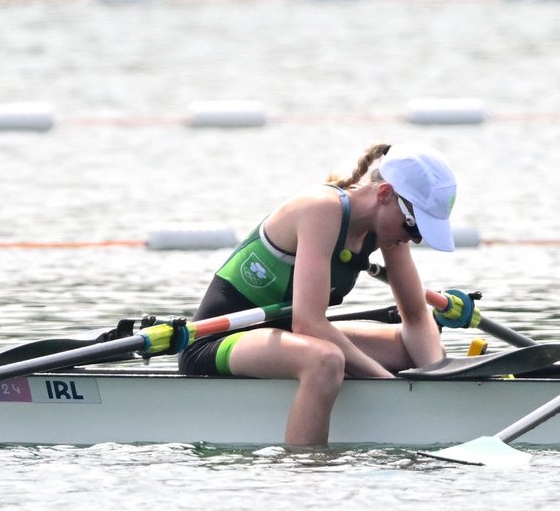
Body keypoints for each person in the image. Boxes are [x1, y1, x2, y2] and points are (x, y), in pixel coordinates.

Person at [179, 143, 457, 446]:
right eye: (414, 227)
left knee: (409, 349)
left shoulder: (389, 231)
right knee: (326, 361)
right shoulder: (321, 209)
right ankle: (306, 465)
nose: (414, 238)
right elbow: (308, 324)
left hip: (283, 336)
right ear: (384, 194)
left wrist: (434, 385)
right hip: (215, 342)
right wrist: (389, 386)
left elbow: (416, 317)